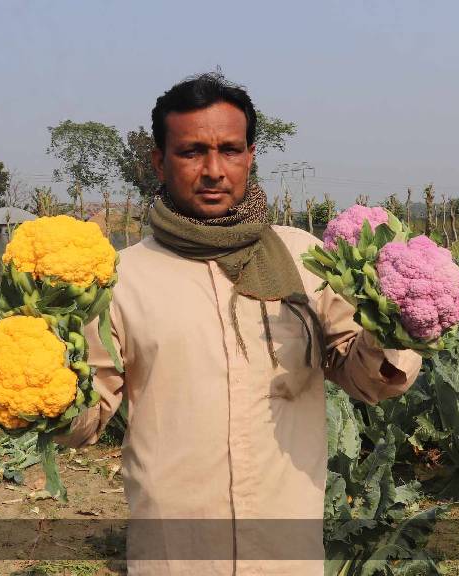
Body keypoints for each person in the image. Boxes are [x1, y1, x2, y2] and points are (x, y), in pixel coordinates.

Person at [54, 72, 423, 576]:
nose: (213, 170)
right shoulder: (121, 280)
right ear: (160, 161)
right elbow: (86, 417)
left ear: (250, 157)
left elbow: (367, 378)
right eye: (191, 152)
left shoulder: (306, 260)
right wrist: (47, 395)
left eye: (229, 150)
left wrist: (391, 325)